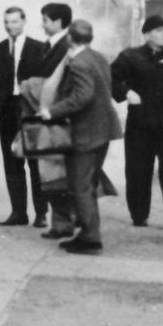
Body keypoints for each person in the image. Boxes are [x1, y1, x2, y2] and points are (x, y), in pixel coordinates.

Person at [42, 19, 123, 254]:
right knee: (88, 184)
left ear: (69, 38)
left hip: (86, 133)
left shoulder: (78, 63)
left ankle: (90, 238)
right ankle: (89, 233)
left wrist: (52, 111)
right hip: (104, 130)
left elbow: (83, 96)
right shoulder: (98, 57)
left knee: (80, 186)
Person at [110, 16, 163, 230]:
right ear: (147, 33)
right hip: (140, 126)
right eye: (159, 30)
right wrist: (126, 92)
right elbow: (111, 77)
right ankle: (139, 215)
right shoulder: (130, 57)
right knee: (138, 170)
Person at [0, 6, 52, 226]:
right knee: (12, 162)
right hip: (8, 110)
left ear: (24, 21)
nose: (10, 26)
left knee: (36, 163)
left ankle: (41, 213)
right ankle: (18, 212)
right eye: (6, 22)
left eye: (14, 22)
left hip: (32, 109)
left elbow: (47, 81)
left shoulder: (40, 48)